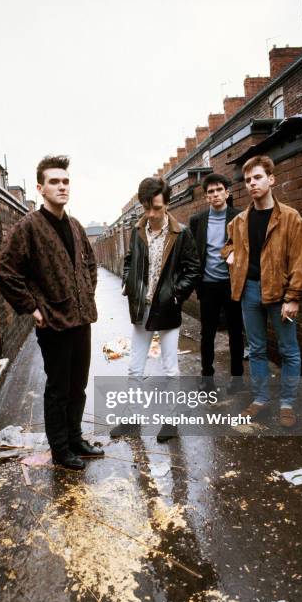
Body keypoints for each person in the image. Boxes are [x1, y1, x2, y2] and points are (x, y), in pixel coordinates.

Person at [0, 155, 104, 469]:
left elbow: (90, 265)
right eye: (54, 181)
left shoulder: (76, 225)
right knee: (58, 388)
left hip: (81, 319)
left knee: (77, 385)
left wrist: (86, 293)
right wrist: (31, 307)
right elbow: (2, 270)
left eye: (65, 181)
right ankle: (60, 449)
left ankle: (75, 438)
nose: (62, 187)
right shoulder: (29, 226)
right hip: (53, 322)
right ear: (41, 188)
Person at [222, 155, 302, 427]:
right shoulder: (239, 221)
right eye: (247, 180)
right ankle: (260, 399)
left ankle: (287, 403)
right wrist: (230, 254)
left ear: (271, 179)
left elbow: (299, 259)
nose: (252, 184)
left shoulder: (290, 218)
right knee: (257, 350)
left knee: (289, 350)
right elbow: (227, 246)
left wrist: (293, 297)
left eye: (257, 177)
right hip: (249, 292)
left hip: (280, 293)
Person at [111, 176, 200, 442]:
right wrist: (129, 281)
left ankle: (171, 422)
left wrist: (176, 294)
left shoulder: (181, 233)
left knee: (170, 369)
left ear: (167, 204)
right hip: (142, 308)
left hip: (167, 309)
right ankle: (132, 419)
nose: (151, 214)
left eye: (157, 208)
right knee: (135, 369)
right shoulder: (137, 231)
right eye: (146, 208)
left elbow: (193, 268)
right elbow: (129, 261)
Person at [190, 173, 245, 394]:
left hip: (232, 284)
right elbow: (193, 253)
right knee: (207, 333)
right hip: (208, 285)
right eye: (210, 192)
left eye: (219, 190)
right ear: (206, 197)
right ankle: (207, 377)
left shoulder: (239, 217)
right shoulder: (198, 220)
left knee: (235, 332)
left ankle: (237, 378)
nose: (215, 194)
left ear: (227, 192)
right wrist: (197, 283)